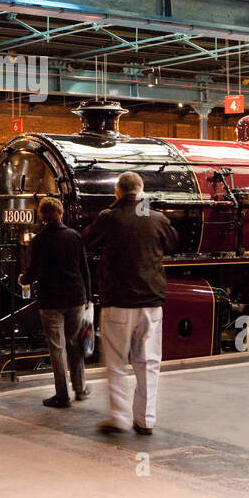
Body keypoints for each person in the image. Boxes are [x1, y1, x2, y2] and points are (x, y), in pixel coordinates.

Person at [83, 171, 178, 435]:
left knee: (115, 363)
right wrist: (144, 208)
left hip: (119, 302)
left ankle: (119, 418)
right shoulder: (156, 217)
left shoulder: (109, 217)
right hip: (150, 301)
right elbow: (173, 241)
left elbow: (88, 239)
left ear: (117, 192)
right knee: (148, 363)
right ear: (141, 191)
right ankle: (145, 419)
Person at [20, 196, 92, 408]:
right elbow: (84, 268)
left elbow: (32, 271)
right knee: (75, 344)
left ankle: (62, 395)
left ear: (42, 217)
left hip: (51, 300)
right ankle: (80, 388)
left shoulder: (39, 240)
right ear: (60, 214)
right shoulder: (74, 236)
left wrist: (22, 279)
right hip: (76, 297)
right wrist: (87, 296)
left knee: (56, 348)